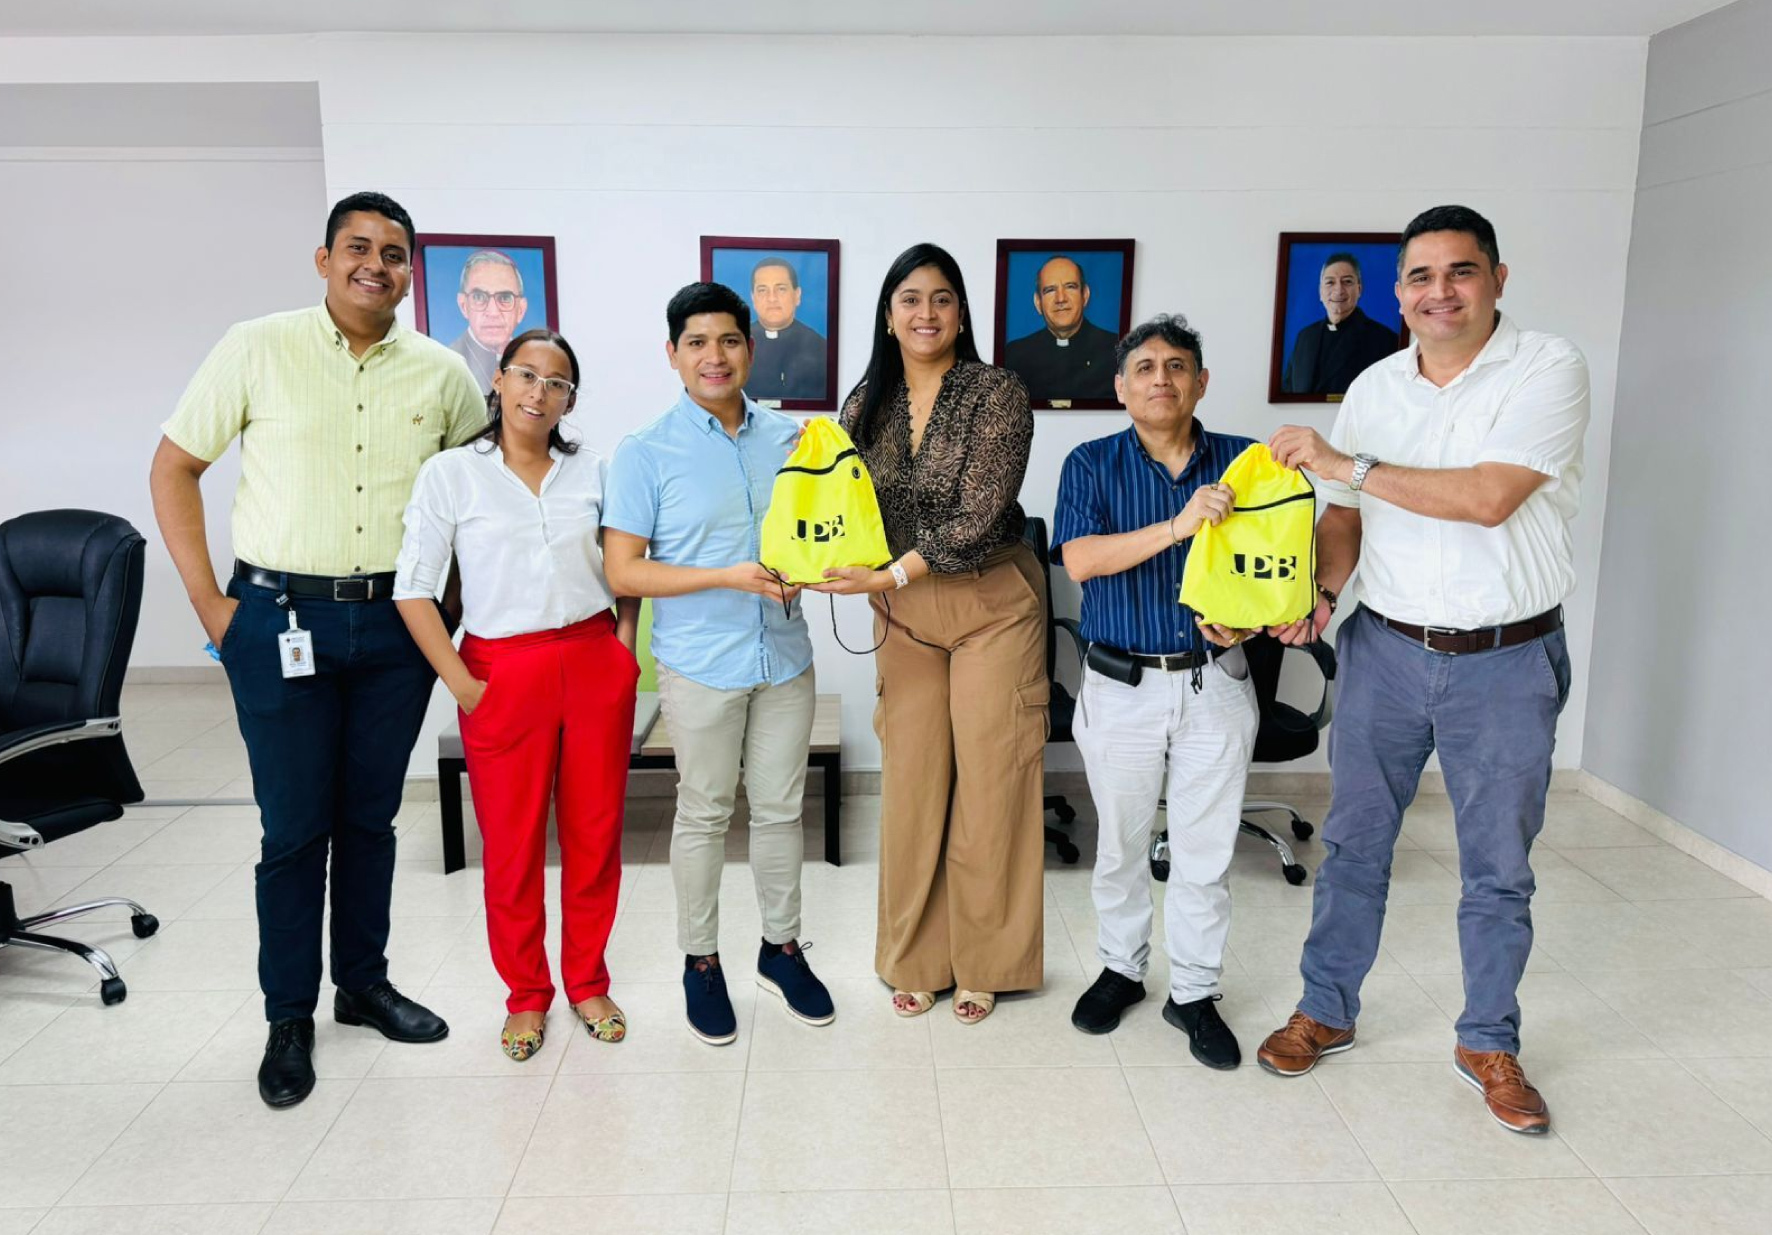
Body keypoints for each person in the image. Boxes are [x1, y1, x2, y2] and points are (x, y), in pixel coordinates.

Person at [1257, 205, 1589, 1136]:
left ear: (1497, 277)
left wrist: (1346, 462)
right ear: (1398, 289)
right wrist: (1321, 593)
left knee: (1496, 867)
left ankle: (1488, 1040)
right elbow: (1345, 517)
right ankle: (1326, 1007)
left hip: (1506, 659)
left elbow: (1488, 498)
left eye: (1460, 272)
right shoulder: (1373, 387)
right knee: (1356, 845)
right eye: (1421, 276)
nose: (1439, 292)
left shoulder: (1548, 368)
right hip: (1387, 650)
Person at [149, 191, 485, 1109]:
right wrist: (213, 608)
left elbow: (473, 504)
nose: (376, 264)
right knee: (294, 830)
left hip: (393, 630)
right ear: (324, 258)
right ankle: (288, 1014)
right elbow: (173, 465)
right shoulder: (256, 345)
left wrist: (444, 614)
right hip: (277, 617)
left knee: (371, 819)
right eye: (358, 248)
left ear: (412, 271)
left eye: (394, 253)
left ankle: (363, 985)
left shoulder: (443, 374)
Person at [393, 329, 639, 1062]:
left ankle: (588, 979)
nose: (539, 392)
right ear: (497, 382)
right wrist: (461, 683)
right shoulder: (450, 475)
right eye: (526, 375)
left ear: (569, 400)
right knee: (512, 844)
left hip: (592, 660)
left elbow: (628, 568)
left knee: (595, 836)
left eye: (556, 382)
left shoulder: (595, 471)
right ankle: (527, 994)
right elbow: (413, 588)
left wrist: (623, 651)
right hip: (500, 671)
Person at [601, 281, 834, 1046]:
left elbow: (817, 530)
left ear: (751, 348)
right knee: (703, 813)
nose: (714, 356)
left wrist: (814, 563)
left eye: (728, 341)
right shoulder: (644, 452)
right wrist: (725, 574)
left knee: (778, 809)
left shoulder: (792, 441)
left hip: (785, 656)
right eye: (696, 342)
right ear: (672, 355)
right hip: (701, 662)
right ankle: (701, 961)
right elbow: (625, 571)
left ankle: (781, 947)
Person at [821, 242, 1043, 1025]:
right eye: (910, 298)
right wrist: (818, 551)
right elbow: (839, 501)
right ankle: (915, 957)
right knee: (914, 785)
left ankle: (986, 960)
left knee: (991, 783)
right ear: (887, 314)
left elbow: (981, 513)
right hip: (903, 613)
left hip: (988, 603)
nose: (926, 312)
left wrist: (886, 575)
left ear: (961, 312)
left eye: (942, 298)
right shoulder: (863, 402)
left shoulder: (998, 392)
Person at [1051, 313, 1260, 1068]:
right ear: (1120, 386)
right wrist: (1177, 526)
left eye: (1178, 365)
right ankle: (1121, 969)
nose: (1161, 378)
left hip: (1216, 685)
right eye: (1145, 367)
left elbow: (1281, 561)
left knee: (1205, 853)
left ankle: (1195, 992)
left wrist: (1255, 622)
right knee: (1122, 843)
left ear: (1202, 382)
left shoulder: (1245, 462)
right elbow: (1080, 560)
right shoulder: (1090, 463)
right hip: (1121, 685)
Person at [1001, 254, 1119, 402]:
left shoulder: (1115, 350)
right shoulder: (1015, 356)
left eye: (1070, 287)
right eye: (1050, 290)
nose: (1061, 299)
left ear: (1085, 295)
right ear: (1038, 303)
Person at [1281, 252, 1401, 396]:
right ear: (1321, 292)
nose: (1338, 290)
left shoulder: (1385, 340)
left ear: (1359, 289)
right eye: (1330, 282)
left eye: (1347, 281)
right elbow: (1287, 393)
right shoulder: (1305, 337)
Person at [746, 256, 827, 402]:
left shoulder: (821, 348)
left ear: (797, 295)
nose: (772, 298)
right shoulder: (737, 345)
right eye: (763, 290)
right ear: (753, 298)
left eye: (781, 289)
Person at [450, 250, 529, 394]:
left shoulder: (534, 362)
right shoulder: (447, 364)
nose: (493, 313)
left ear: (521, 310)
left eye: (505, 298)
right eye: (479, 297)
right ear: (463, 306)